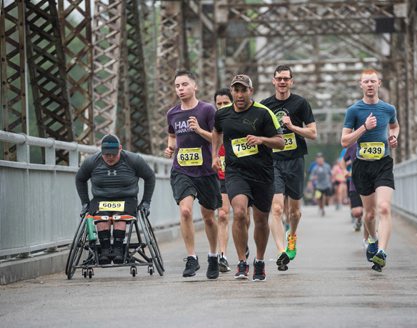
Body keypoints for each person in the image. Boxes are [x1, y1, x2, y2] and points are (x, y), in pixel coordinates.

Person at [212, 74, 284, 281]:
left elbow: (280, 142)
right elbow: (216, 132)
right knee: (240, 212)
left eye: (243, 90)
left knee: (261, 220)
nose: (239, 94)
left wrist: (261, 139)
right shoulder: (223, 114)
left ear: (250, 91)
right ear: (231, 92)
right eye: (236, 90)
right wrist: (215, 155)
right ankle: (242, 262)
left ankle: (259, 261)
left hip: (262, 173)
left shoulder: (263, 113)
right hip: (236, 172)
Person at [164, 69, 222, 279]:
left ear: (194, 86)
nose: (181, 89)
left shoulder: (207, 110)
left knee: (208, 217)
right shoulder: (173, 113)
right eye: (177, 86)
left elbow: (217, 139)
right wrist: (170, 148)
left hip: (206, 170)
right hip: (182, 170)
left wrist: (199, 130)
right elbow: (172, 135)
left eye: (185, 84)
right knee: (186, 211)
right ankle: (191, 258)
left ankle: (213, 256)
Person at [340, 69, 399, 272]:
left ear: (379, 83)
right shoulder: (354, 111)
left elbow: (394, 126)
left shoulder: (388, 108)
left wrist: (393, 137)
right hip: (361, 165)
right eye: (366, 81)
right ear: (361, 85)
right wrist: (364, 127)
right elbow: (344, 140)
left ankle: (381, 252)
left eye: (373, 81)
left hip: (382, 163)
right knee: (369, 214)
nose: (370, 85)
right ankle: (372, 239)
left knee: (384, 208)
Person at [260, 65, 317, 271]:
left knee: (294, 213)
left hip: (295, 160)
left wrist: (292, 127)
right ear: (273, 81)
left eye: (286, 79)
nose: (282, 82)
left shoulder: (301, 103)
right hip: (273, 161)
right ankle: (281, 251)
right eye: (279, 79)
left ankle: (291, 235)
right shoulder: (265, 106)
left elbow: (313, 134)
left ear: (291, 81)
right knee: (276, 208)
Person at [75, 134, 155, 265]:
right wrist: (85, 203)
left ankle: (118, 250)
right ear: (101, 151)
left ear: (120, 149)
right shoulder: (91, 162)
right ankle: (105, 251)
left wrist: (146, 202)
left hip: (126, 198)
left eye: (113, 154)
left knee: (119, 218)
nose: (110, 158)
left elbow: (150, 177)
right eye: (106, 155)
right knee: (101, 219)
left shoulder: (133, 160)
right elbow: (80, 179)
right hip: (101, 199)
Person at [343, 143, 366, 239]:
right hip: (354, 184)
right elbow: (343, 160)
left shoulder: (374, 140)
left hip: (369, 183)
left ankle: (369, 239)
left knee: (369, 212)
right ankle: (358, 219)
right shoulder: (352, 145)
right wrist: (345, 171)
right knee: (357, 212)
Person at [309, 152, 332, 217]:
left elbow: (330, 174)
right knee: (318, 197)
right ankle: (321, 209)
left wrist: (331, 181)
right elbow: (311, 177)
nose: (320, 161)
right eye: (318, 160)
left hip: (326, 185)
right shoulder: (315, 168)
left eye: (321, 159)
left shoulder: (327, 166)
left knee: (327, 198)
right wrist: (313, 178)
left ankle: (325, 204)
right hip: (318, 185)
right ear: (316, 161)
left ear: (323, 160)